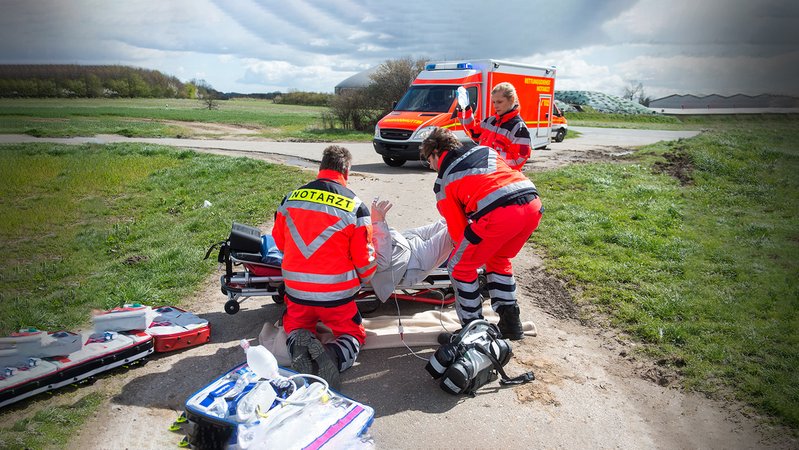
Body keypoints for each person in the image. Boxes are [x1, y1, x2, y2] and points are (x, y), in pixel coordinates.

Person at [420, 127, 543, 340]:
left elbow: (459, 232)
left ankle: (473, 330)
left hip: (499, 214)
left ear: (435, 153)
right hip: (532, 205)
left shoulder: (444, 181)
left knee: (460, 267)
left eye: (428, 160)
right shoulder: (485, 150)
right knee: (499, 259)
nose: (431, 166)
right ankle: (511, 324)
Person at [272, 145, 376, 388]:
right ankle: (332, 357)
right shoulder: (355, 206)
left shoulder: (290, 199)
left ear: (320, 168)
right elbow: (365, 260)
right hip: (336, 298)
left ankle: (299, 348)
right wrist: (365, 279)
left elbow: (279, 242)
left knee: (296, 326)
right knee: (352, 334)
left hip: (297, 294)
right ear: (346, 171)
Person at [369, 199, 454, 302]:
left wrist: (377, 223)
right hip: (412, 262)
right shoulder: (352, 258)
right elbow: (382, 262)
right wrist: (378, 223)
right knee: (453, 230)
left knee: (448, 220)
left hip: (403, 241)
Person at [458, 82, 532, 170]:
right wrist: (465, 110)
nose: (495, 106)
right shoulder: (491, 121)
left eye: (499, 102)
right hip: (486, 173)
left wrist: (489, 156)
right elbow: (473, 132)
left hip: (504, 178)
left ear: (511, 99)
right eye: (494, 102)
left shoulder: (518, 127)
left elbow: (518, 160)